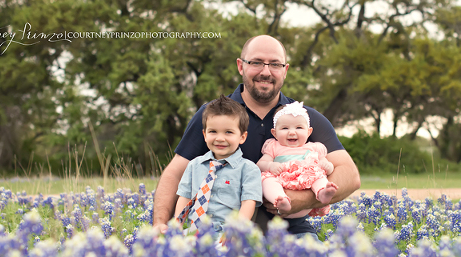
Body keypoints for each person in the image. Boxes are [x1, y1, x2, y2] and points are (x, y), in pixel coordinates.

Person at [154, 34, 361, 237]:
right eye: (257, 62)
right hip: (221, 230)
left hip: (290, 231)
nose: (266, 71)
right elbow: (176, 173)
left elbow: (350, 176)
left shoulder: (303, 118)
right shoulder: (215, 115)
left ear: (285, 70)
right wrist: (160, 224)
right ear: (240, 66)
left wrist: (303, 199)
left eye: (275, 64)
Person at [172, 95, 262, 236]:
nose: (220, 138)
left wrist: (235, 230)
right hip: (193, 232)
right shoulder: (194, 165)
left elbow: (248, 204)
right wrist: (177, 225)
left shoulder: (249, 169)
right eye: (213, 131)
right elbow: (184, 196)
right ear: (205, 135)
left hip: (227, 232)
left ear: (242, 137)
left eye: (228, 132)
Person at [257, 102, 337, 218]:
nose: (292, 132)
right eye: (285, 128)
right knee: (266, 180)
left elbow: (326, 165)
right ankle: (280, 199)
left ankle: (322, 192)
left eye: (299, 127)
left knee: (319, 176)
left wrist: (327, 167)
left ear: (309, 132)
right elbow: (260, 164)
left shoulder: (314, 147)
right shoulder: (273, 146)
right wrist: (270, 166)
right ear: (274, 133)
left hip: (306, 180)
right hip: (281, 179)